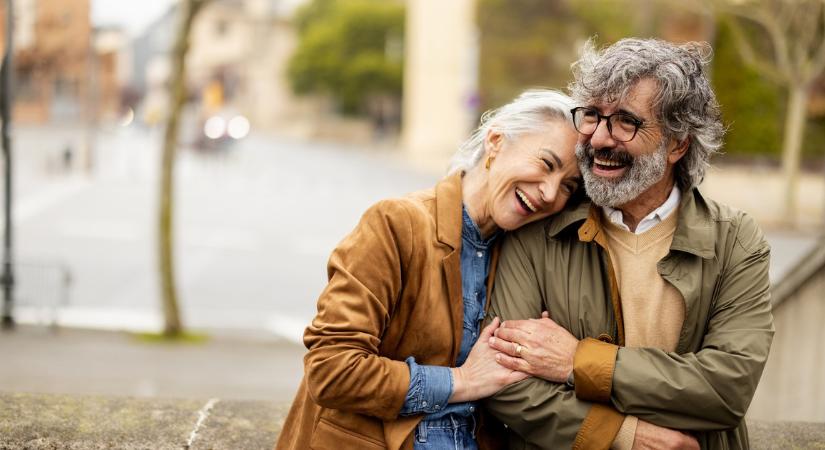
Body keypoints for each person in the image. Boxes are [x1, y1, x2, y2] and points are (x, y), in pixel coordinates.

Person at [483, 38, 773, 450]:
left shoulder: (736, 241)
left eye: (625, 121)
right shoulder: (540, 227)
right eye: (593, 116)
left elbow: (726, 390)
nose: (600, 138)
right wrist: (627, 435)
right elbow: (507, 382)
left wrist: (576, 362)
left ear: (677, 144)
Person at [276, 89, 584, 450]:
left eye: (568, 186)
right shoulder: (397, 224)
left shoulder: (523, 252)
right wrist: (461, 381)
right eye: (546, 164)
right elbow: (331, 369)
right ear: (496, 141)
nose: (550, 193)